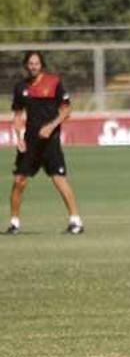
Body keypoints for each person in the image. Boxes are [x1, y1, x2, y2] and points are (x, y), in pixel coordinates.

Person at [6, 51, 83, 235]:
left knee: (59, 179)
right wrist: (18, 139)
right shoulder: (20, 87)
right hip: (30, 142)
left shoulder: (54, 82)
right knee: (19, 181)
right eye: (30, 63)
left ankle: (76, 221)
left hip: (51, 141)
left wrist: (51, 126)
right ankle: (14, 223)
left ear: (42, 65)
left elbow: (66, 110)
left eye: (36, 63)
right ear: (26, 65)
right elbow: (17, 116)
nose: (33, 66)